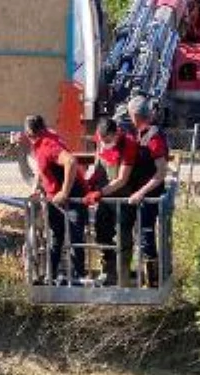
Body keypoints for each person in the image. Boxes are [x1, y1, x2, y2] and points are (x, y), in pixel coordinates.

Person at [24, 113, 87, 284]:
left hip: (72, 198)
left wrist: (64, 192)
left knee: (75, 238)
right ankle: (50, 276)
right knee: (55, 237)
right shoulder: (40, 141)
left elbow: (71, 162)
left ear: (30, 133)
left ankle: (78, 278)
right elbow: (41, 167)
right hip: (54, 199)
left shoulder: (48, 144)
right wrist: (37, 187)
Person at [83, 116, 138, 286]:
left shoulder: (128, 144)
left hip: (123, 197)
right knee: (101, 232)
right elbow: (98, 163)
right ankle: (109, 269)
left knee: (123, 236)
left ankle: (123, 276)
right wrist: (90, 181)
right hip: (105, 198)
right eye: (102, 139)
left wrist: (100, 193)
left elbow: (122, 179)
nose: (104, 143)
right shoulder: (100, 139)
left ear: (115, 134)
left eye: (107, 140)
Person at [125, 95, 170, 287]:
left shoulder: (153, 137)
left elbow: (161, 172)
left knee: (146, 235)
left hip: (149, 195)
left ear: (134, 116)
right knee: (140, 235)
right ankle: (142, 276)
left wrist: (141, 192)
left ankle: (152, 282)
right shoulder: (140, 133)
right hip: (141, 194)